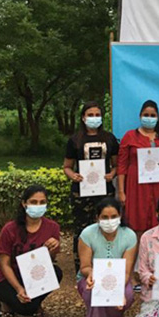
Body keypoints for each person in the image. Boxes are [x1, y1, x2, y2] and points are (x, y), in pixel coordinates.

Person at [0, 185, 61, 317]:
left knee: (56, 272)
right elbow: (4, 264)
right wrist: (19, 289)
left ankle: (36, 304)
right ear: (24, 203)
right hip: (6, 277)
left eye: (42, 202)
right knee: (25, 309)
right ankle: (5, 304)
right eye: (33, 202)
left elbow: (50, 261)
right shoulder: (10, 229)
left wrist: (53, 249)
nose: (38, 206)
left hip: (32, 275)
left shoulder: (53, 227)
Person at [63, 101, 119, 274]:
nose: (94, 118)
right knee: (82, 229)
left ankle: (107, 267)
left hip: (105, 192)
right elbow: (66, 166)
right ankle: (82, 268)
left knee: (106, 227)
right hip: (81, 192)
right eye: (90, 115)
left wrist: (113, 174)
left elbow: (116, 165)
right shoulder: (74, 140)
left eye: (97, 115)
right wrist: (74, 176)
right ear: (83, 117)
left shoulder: (109, 138)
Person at [76, 197, 137, 317]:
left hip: (118, 278)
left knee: (127, 295)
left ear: (120, 216)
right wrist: (91, 274)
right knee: (93, 291)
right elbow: (84, 266)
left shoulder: (129, 236)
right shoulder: (87, 234)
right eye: (104, 217)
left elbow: (126, 272)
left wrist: (117, 291)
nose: (109, 221)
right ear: (97, 218)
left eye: (114, 217)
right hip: (91, 278)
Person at [118, 100, 159, 234]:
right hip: (136, 186)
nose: (149, 118)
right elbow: (122, 165)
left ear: (157, 118)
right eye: (146, 115)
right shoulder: (130, 136)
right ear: (140, 116)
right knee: (136, 223)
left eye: (152, 115)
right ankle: (138, 254)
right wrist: (121, 191)